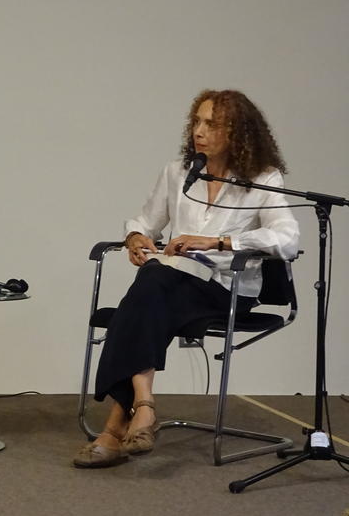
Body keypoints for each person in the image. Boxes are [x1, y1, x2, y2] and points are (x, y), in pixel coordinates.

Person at [73, 89, 300, 468]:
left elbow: (287, 238)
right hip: (171, 285)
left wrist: (218, 241)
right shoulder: (179, 173)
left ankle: (118, 424)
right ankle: (141, 408)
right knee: (154, 286)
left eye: (212, 124)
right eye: (197, 121)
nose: (199, 131)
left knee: (148, 291)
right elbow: (145, 221)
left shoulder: (262, 178)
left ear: (238, 132)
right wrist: (135, 237)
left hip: (227, 289)